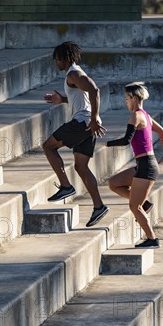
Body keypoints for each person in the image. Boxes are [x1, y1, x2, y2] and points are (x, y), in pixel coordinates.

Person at [43, 41, 109, 227]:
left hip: (82, 123)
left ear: (64, 59)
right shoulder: (74, 74)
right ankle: (99, 206)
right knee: (81, 167)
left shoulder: (73, 73)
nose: (56, 63)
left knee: (48, 146)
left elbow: (94, 89)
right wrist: (62, 99)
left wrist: (95, 118)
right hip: (87, 124)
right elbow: (82, 96)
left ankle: (66, 186)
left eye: (57, 59)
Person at [106, 82, 163, 247]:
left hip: (147, 167)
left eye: (126, 98)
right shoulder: (146, 116)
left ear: (134, 98)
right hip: (143, 164)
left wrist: (105, 144)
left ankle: (152, 238)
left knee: (134, 206)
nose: (125, 102)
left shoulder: (136, 116)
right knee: (113, 183)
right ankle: (145, 203)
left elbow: (126, 140)